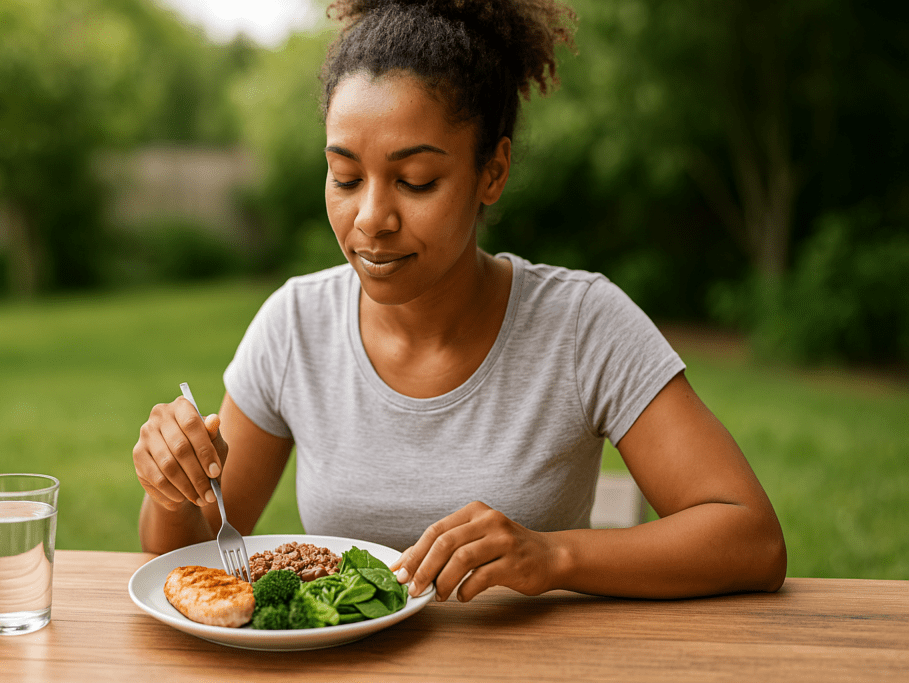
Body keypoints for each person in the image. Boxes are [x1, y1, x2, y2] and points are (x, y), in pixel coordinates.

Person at [132, 0, 787, 604]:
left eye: (416, 180)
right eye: (345, 176)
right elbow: (194, 558)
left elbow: (750, 537)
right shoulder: (295, 325)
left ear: (492, 172)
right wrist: (170, 490)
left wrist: (554, 554)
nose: (371, 218)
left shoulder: (582, 323)